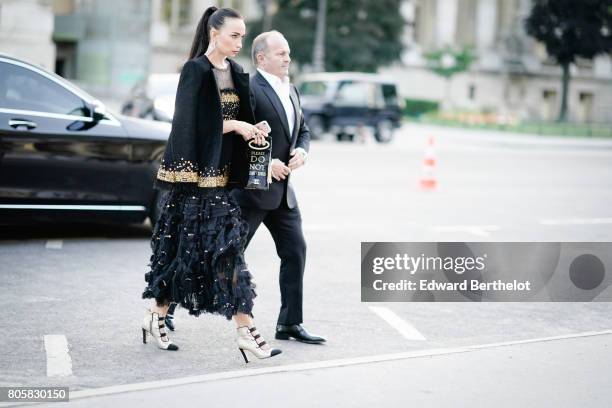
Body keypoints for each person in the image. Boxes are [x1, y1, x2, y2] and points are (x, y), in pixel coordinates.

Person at [141, 6, 281, 363]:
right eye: (233, 35)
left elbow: (241, 119)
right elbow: (190, 127)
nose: (239, 43)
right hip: (193, 183)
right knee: (183, 255)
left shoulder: (236, 71)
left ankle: (242, 331)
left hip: (221, 182)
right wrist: (235, 126)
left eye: (242, 37)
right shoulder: (195, 70)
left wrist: (254, 130)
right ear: (213, 33)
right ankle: (161, 316)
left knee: (226, 253)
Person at [231, 31, 326, 344]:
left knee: (295, 251)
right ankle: (167, 308)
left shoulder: (292, 89)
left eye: (288, 53)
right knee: (223, 255)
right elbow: (233, 138)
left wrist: (302, 150)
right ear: (261, 58)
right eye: (281, 54)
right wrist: (266, 160)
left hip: (283, 194)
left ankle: (289, 324)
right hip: (252, 191)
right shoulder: (248, 89)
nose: (288, 59)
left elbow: (304, 130)